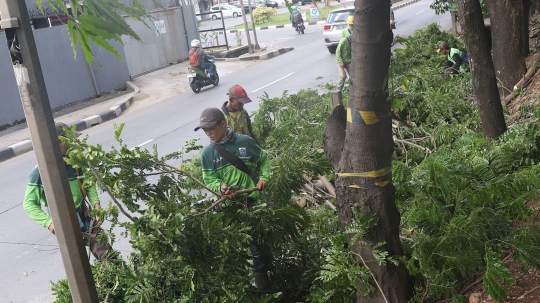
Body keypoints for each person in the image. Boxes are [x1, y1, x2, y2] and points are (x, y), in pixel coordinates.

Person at [194, 108, 271, 291]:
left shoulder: (245, 142)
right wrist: (222, 189)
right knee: (232, 250)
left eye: (211, 128)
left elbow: (263, 159)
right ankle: (239, 288)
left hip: (251, 202)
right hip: (228, 207)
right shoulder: (207, 154)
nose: (208, 133)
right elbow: (209, 180)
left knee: (257, 247)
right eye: (204, 130)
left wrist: (264, 178)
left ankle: (264, 289)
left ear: (223, 124)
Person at [22, 122, 111, 260]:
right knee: (79, 265)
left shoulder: (74, 161)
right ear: (60, 142)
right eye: (69, 140)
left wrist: (96, 205)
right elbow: (29, 204)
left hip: (84, 214)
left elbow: (88, 184)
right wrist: (49, 223)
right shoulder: (40, 171)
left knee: (107, 254)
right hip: (63, 223)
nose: (73, 144)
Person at [336, 16, 353, 90]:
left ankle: (352, 89)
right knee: (343, 76)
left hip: (349, 61)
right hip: (342, 61)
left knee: (353, 75)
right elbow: (337, 51)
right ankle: (338, 90)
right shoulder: (343, 41)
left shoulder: (352, 43)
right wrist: (340, 61)